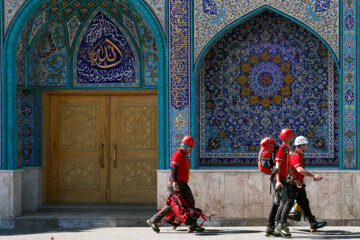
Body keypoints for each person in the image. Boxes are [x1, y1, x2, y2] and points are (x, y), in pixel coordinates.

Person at [146, 136, 205, 233]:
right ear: (186, 146)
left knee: (190, 202)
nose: (191, 150)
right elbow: (174, 169)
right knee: (173, 206)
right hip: (176, 184)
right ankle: (153, 220)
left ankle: (192, 224)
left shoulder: (184, 155)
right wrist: (174, 183)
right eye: (190, 147)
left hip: (183, 184)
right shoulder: (178, 154)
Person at [265, 128, 301, 238]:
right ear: (288, 138)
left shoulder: (286, 150)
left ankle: (270, 227)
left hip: (281, 179)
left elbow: (287, 168)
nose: (292, 139)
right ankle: (281, 225)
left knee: (276, 203)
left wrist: (295, 179)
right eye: (291, 137)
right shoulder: (281, 150)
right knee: (289, 200)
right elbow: (277, 167)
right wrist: (278, 181)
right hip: (278, 179)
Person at [286, 136, 327, 232]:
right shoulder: (296, 156)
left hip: (298, 185)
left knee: (304, 203)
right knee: (287, 205)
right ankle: (277, 223)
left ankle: (313, 223)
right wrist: (314, 176)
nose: (307, 146)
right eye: (306, 145)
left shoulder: (300, 155)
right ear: (301, 145)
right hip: (292, 185)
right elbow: (300, 170)